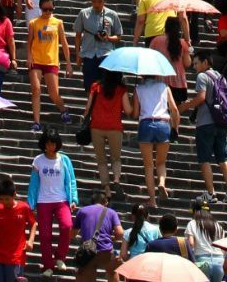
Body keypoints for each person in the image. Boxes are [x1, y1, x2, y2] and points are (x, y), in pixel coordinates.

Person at [183, 62, 227, 201]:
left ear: (204, 62)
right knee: (223, 158)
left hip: (205, 123)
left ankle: (211, 194)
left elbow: (201, 97)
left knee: (204, 159)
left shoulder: (202, 76)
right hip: (221, 121)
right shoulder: (220, 76)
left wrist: (184, 107)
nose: (194, 66)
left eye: (196, 63)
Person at [26, 128, 77, 270]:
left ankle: (60, 257)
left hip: (62, 200)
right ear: (44, 144)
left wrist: (74, 199)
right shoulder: (38, 160)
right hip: (43, 201)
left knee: (67, 226)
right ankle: (48, 264)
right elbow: (34, 184)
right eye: (48, 144)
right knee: (45, 234)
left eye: (53, 144)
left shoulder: (64, 160)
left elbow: (71, 180)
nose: (51, 147)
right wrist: (30, 203)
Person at [134, 69, 179, 209]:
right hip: (163, 124)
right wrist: (175, 128)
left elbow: (135, 113)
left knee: (148, 166)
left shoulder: (138, 88)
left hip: (146, 124)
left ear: (142, 74)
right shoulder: (164, 87)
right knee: (161, 162)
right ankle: (161, 182)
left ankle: (152, 200)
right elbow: (174, 109)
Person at [81, 72, 129, 200]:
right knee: (116, 158)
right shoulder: (122, 89)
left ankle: (106, 188)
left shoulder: (96, 86)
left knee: (101, 159)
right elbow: (128, 110)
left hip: (96, 126)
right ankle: (117, 180)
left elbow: (88, 107)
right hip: (115, 127)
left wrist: (84, 119)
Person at [26, 0, 71, 126]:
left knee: (54, 93)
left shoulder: (58, 23)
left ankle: (63, 110)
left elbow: (64, 43)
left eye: (50, 9)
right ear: (40, 8)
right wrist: (29, 57)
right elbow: (29, 42)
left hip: (51, 61)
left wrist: (68, 63)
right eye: (45, 9)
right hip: (36, 60)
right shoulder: (34, 23)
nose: (48, 12)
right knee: (36, 89)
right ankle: (36, 122)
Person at [184, 196, 227, 282]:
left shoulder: (193, 223)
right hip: (219, 262)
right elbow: (224, 247)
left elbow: (190, 244)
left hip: (202, 262)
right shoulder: (217, 225)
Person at [72, 198, 124, 282]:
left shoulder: (82, 211)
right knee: (113, 272)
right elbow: (120, 233)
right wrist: (113, 238)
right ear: (106, 203)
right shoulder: (110, 212)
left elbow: (73, 233)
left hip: (88, 252)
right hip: (106, 250)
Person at [74, 0, 123, 93]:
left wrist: (108, 38)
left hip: (106, 54)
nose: (96, 4)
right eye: (94, 1)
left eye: (99, 2)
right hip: (89, 54)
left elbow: (118, 37)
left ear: (105, 0)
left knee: (106, 86)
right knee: (89, 86)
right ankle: (91, 107)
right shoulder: (83, 14)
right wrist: (78, 54)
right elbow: (78, 36)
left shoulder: (112, 14)